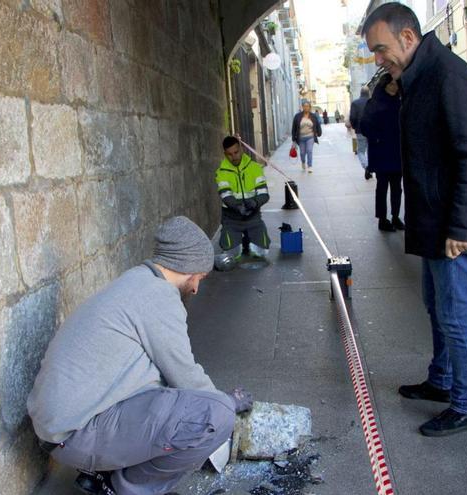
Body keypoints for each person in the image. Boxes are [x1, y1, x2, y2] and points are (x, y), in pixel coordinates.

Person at [27, 216, 253, 495]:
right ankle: (125, 488)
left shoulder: (136, 281)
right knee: (214, 414)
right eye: (199, 278)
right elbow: (186, 376)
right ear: (189, 267)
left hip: (62, 428)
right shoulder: (158, 297)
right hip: (75, 434)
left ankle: (108, 473)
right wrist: (226, 403)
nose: (196, 288)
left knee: (170, 395)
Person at [363, 3, 467, 437]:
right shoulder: (416, 75)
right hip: (432, 218)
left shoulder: (448, 75)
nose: (378, 58)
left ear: (408, 38)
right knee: (436, 306)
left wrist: (461, 229)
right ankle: (442, 379)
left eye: (381, 48)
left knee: (455, 313)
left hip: (452, 224)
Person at [215, 136, 270, 263]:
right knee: (232, 255)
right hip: (232, 218)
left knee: (261, 252)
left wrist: (255, 203)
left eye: (236, 152)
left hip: (253, 215)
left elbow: (264, 194)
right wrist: (237, 206)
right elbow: (226, 195)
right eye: (229, 154)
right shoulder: (221, 172)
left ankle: (249, 238)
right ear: (225, 154)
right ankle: (240, 240)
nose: (234, 157)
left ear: (241, 149)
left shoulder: (255, 168)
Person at [359, 74, 404, 232]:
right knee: (382, 186)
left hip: (397, 151)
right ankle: (382, 219)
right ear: (384, 85)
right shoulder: (374, 103)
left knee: (397, 187)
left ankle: (396, 216)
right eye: (391, 84)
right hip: (381, 151)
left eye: (396, 84)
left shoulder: (401, 102)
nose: (394, 87)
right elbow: (364, 125)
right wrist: (376, 138)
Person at [291, 101, 323, 173]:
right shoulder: (297, 116)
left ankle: (310, 166)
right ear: (302, 107)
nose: (306, 108)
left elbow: (317, 125)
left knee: (309, 151)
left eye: (307, 106)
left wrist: (319, 133)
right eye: (304, 106)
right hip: (301, 138)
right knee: (302, 153)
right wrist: (293, 139)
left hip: (310, 137)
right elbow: (294, 128)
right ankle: (303, 162)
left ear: (310, 107)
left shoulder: (313, 116)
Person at [348, 86, 372, 180]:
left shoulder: (355, 103)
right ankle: (370, 167)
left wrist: (354, 126)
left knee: (361, 151)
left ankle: (366, 166)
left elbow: (352, 117)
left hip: (360, 130)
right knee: (371, 149)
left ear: (360, 93)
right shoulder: (372, 101)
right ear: (368, 93)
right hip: (372, 130)